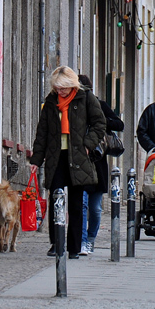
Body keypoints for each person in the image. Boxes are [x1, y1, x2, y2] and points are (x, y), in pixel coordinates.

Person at [30, 66, 107, 259]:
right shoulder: (51, 101)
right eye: (57, 88)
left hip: (78, 156)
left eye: (63, 88)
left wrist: (87, 145)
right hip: (56, 156)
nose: (60, 91)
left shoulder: (85, 98)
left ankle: (73, 247)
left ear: (71, 84)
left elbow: (100, 124)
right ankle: (56, 243)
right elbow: (43, 132)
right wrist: (36, 160)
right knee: (56, 198)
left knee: (75, 203)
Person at [77, 74, 124, 256]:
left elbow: (119, 124)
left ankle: (90, 239)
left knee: (95, 209)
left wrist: (100, 120)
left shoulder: (99, 105)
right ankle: (81, 242)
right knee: (81, 205)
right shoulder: (72, 108)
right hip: (80, 163)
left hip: (97, 162)